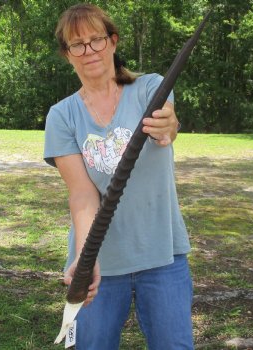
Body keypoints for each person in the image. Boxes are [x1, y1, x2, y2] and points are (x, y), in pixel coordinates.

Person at [44, 3, 193, 349]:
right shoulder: (61, 116)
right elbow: (82, 193)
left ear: (112, 41)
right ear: (68, 55)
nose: (88, 50)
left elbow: (167, 123)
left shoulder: (150, 88)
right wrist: (85, 258)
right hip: (98, 264)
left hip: (162, 256)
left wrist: (170, 126)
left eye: (96, 39)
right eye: (76, 44)